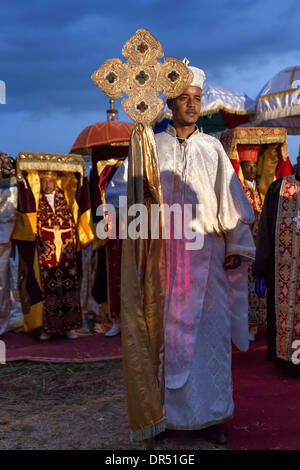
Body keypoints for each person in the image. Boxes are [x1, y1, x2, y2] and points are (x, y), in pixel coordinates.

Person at [105, 65, 256, 446]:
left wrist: (237, 245)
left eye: (196, 98)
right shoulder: (151, 147)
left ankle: (212, 417)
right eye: (184, 98)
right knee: (167, 337)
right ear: (170, 101)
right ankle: (166, 417)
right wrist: (140, 203)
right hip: (165, 260)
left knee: (211, 338)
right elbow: (118, 193)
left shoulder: (212, 149)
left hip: (210, 257)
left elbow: (233, 201)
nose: (191, 104)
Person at [13, 154, 94, 341]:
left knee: (68, 290)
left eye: (50, 182)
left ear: (55, 182)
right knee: (46, 290)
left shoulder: (64, 202)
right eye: (43, 182)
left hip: (66, 254)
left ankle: (69, 328)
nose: (46, 185)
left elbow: (71, 224)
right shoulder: (38, 203)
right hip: (46, 255)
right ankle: (46, 329)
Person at [253, 147, 300, 373]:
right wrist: (260, 266)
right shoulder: (278, 188)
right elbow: (265, 229)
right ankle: (286, 359)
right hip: (282, 270)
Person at [239, 146, 266, 341]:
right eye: (248, 166)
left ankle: (260, 324)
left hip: (260, 246)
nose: (252, 169)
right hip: (246, 246)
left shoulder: (261, 189)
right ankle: (247, 325)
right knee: (245, 288)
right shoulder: (240, 189)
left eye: (255, 166)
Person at [0, 153, 18, 335]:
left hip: (3, 232)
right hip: (5, 230)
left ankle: (2, 322)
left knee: (2, 279)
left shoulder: (6, 166)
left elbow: (10, 209)